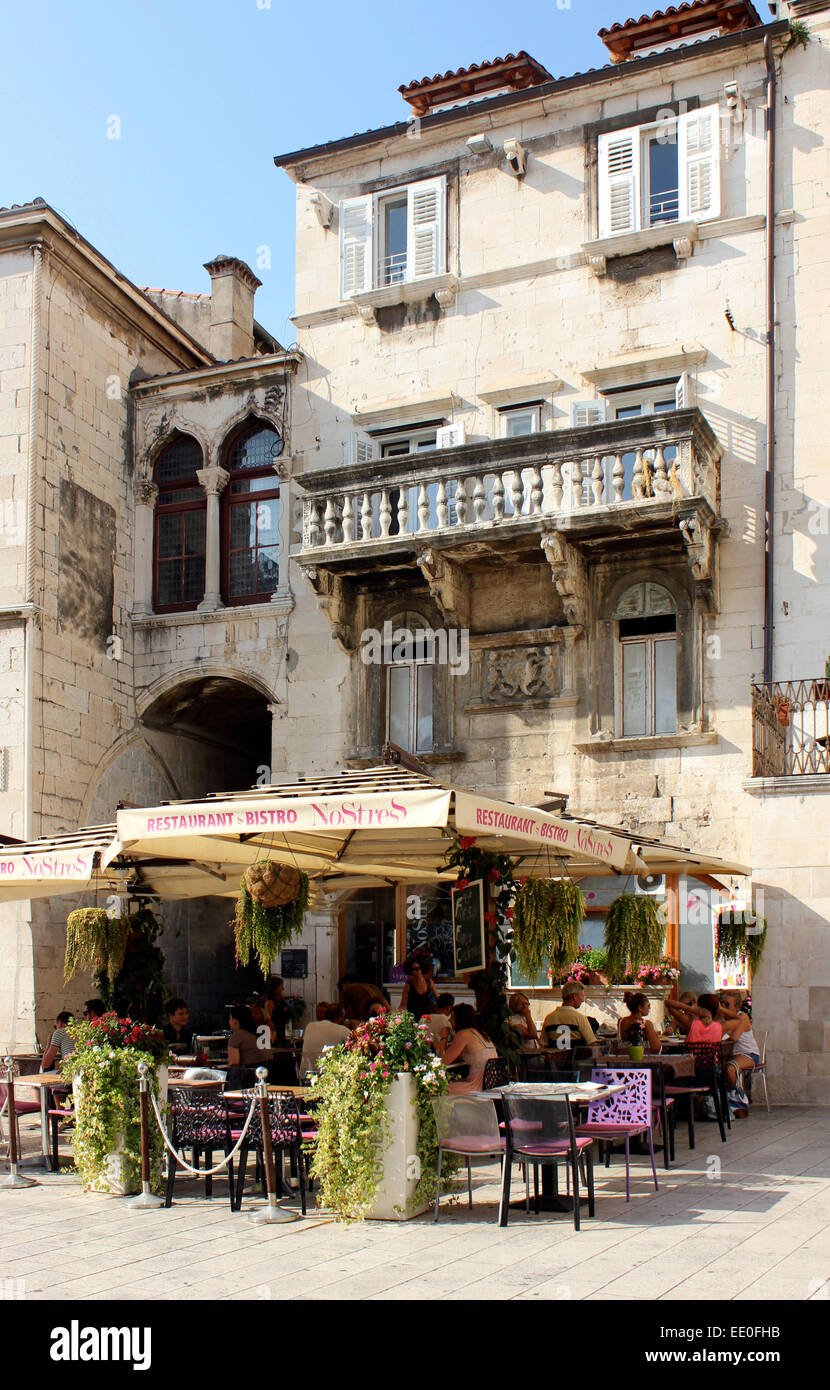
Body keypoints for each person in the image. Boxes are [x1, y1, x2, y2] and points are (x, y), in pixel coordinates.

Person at [717, 989, 762, 1116]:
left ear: (737, 1006)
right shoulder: (724, 1019)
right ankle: (727, 1102)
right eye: (722, 1003)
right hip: (733, 1054)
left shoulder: (743, 1017)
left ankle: (739, 1102)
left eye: (727, 1004)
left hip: (749, 1054)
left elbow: (735, 1037)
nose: (724, 1007)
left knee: (732, 1068)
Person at [442, 1004, 499, 1094]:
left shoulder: (463, 1034)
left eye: (452, 1017)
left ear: (460, 1019)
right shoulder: (480, 1033)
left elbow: (443, 1061)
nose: (449, 1020)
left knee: (440, 1088)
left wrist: (443, 1037)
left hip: (477, 1086)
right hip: (491, 1083)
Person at [299, 1004, 351, 1080]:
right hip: (328, 1077)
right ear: (340, 1018)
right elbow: (354, 1043)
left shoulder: (309, 1026)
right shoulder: (342, 1030)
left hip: (305, 1075)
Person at [542, 981, 597, 1048]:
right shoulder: (580, 1018)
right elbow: (592, 1045)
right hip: (576, 1058)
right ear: (575, 996)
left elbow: (543, 1045)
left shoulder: (549, 1018)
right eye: (582, 996)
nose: (582, 1000)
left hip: (555, 1058)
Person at [264, 976, 289, 1046]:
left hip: (281, 1032)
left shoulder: (279, 1002)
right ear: (275, 988)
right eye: (281, 986)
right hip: (276, 1036)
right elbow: (269, 1023)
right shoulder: (270, 1003)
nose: (283, 989)